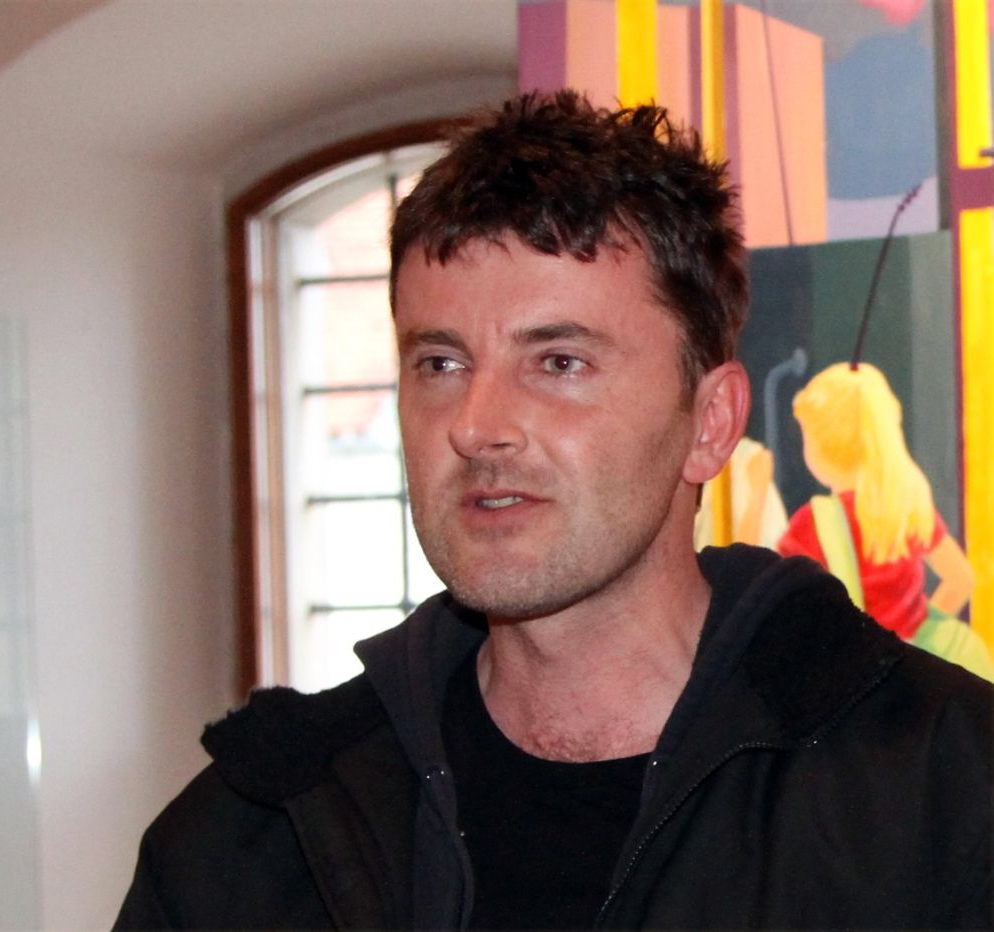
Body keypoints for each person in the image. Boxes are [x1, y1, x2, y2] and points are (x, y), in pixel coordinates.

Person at [114, 92, 991, 930]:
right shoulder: (260, 832)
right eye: (440, 364)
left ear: (711, 424)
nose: (475, 426)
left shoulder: (944, 796)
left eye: (559, 362)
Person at [778, 361, 994, 680]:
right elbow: (961, 578)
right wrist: (913, 639)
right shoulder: (904, 505)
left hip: (853, 675)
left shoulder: (812, 524)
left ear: (822, 446)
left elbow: (784, 602)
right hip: (910, 673)